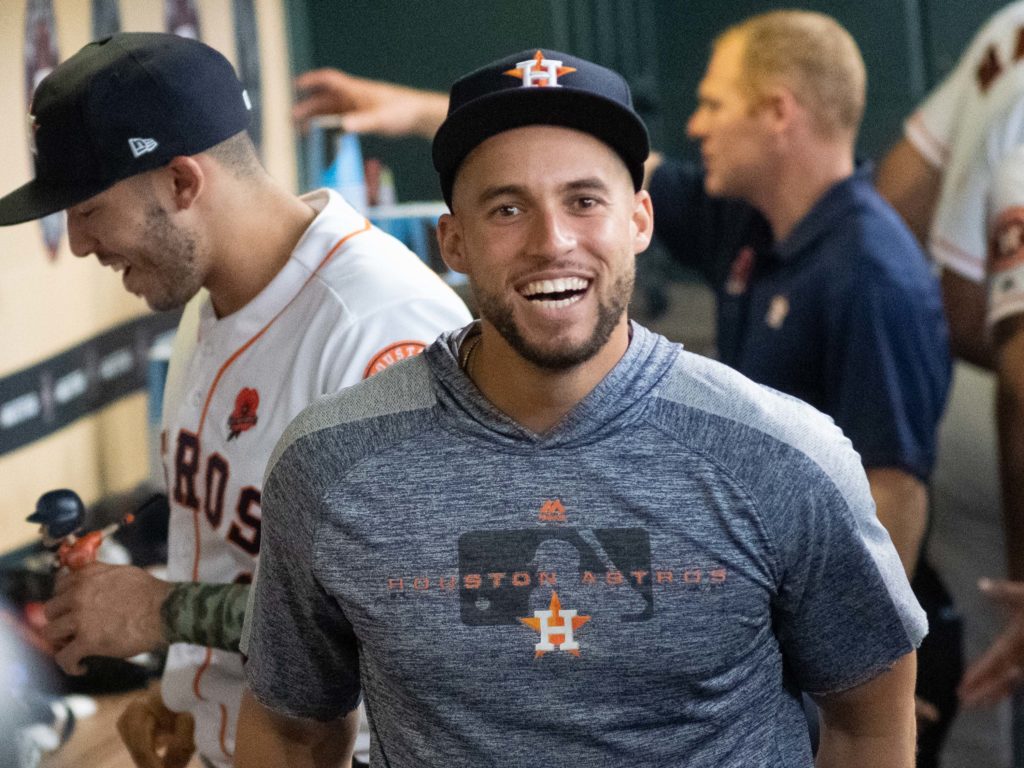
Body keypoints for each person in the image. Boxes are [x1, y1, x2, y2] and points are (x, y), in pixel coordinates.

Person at [289, 11, 956, 762]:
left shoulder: (849, 318)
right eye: (507, 208)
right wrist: (406, 106)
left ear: (636, 220)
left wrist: (850, 640)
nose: (553, 240)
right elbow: (293, 723)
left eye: (584, 201)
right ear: (454, 242)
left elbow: (873, 682)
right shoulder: (331, 462)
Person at [0, 32, 470, 768]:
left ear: (183, 184)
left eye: (88, 209)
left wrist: (159, 613)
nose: (82, 243)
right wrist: (188, 692)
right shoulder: (210, 301)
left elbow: (418, 610)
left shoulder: (380, 329)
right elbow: (237, 559)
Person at [876, 0, 1024, 715]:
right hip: (1003, 401)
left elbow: (893, 204)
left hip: (949, 394)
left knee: (979, 699)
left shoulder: (1014, 23)